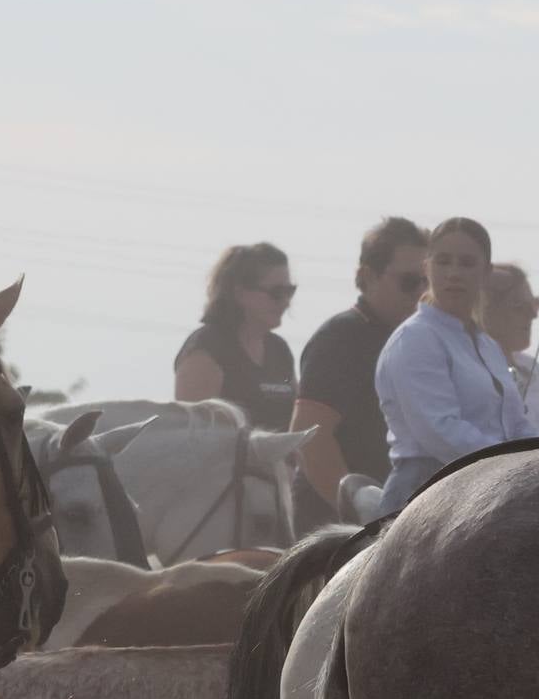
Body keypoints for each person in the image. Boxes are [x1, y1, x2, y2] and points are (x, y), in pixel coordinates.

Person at [373, 216, 539, 505]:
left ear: (485, 273)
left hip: (490, 486)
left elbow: (516, 422)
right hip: (423, 491)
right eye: (444, 262)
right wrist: (513, 462)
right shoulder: (416, 339)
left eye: (466, 263)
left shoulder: (487, 346)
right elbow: (441, 431)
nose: (454, 273)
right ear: (427, 268)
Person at [293, 217, 427, 513]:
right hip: (338, 526)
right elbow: (309, 438)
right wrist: (358, 511)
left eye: (427, 282)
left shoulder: (421, 341)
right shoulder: (341, 338)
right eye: (409, 282)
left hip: (401, 516)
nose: (421, 292)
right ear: (368, 277)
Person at [171, 242, 298, 429]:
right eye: (277, 293)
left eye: (290, 291)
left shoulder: (279, 349)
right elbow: (195, 435)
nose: (286, 302)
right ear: (240, 293)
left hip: (276, 458)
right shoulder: (207, 349)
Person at [481, 262, 539, 365]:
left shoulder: (533, 370)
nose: (533, 315)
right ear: (487, 312)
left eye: (535, 304)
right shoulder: (466, 368)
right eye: (520, 307)